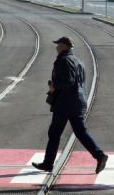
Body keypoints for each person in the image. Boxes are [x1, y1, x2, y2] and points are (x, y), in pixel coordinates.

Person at [32, 36, 108, 174]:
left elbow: (68, 82)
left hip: (65, 103)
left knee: (54, 133)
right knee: (80, 132)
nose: (57, 47)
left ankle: (48, 163)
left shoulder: (64, 61)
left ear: (65, 46)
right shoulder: (77, 60)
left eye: (59, 44)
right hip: (77, 102)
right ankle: (99, 155)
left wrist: (54, 87)